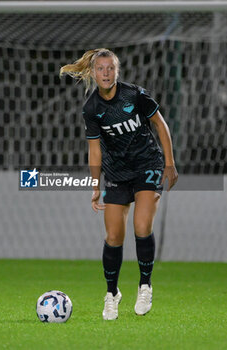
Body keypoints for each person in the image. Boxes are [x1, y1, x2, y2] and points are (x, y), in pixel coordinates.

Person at [60, 48, 178, 320]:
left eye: (110, 68)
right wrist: (94, 185)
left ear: (117, 71)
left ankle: (145, 285)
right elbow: (95, 151)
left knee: (141, 225)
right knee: (113, 236)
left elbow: (160, 125)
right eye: (100, 69)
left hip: (147, 164)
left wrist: (169, 163)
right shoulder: (91, 108)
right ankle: (112, 294)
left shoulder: (135, 95)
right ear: (93, 72)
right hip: (116, 172)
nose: (105, 73)